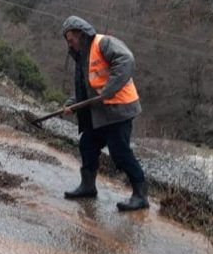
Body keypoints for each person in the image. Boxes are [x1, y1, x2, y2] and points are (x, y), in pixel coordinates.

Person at [61, 16, 148, 212]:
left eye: (71, 39)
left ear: (80, 34)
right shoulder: (82, 56)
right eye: (67, 41)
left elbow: (126, 60)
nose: (69, 44)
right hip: (100, 112)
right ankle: (88, 186)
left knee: (119, 151)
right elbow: (87, 86)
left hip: (120, 109)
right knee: (87, 144)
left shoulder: (104, 43)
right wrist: (73, 103)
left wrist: (110, 89)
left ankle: (141, 195)